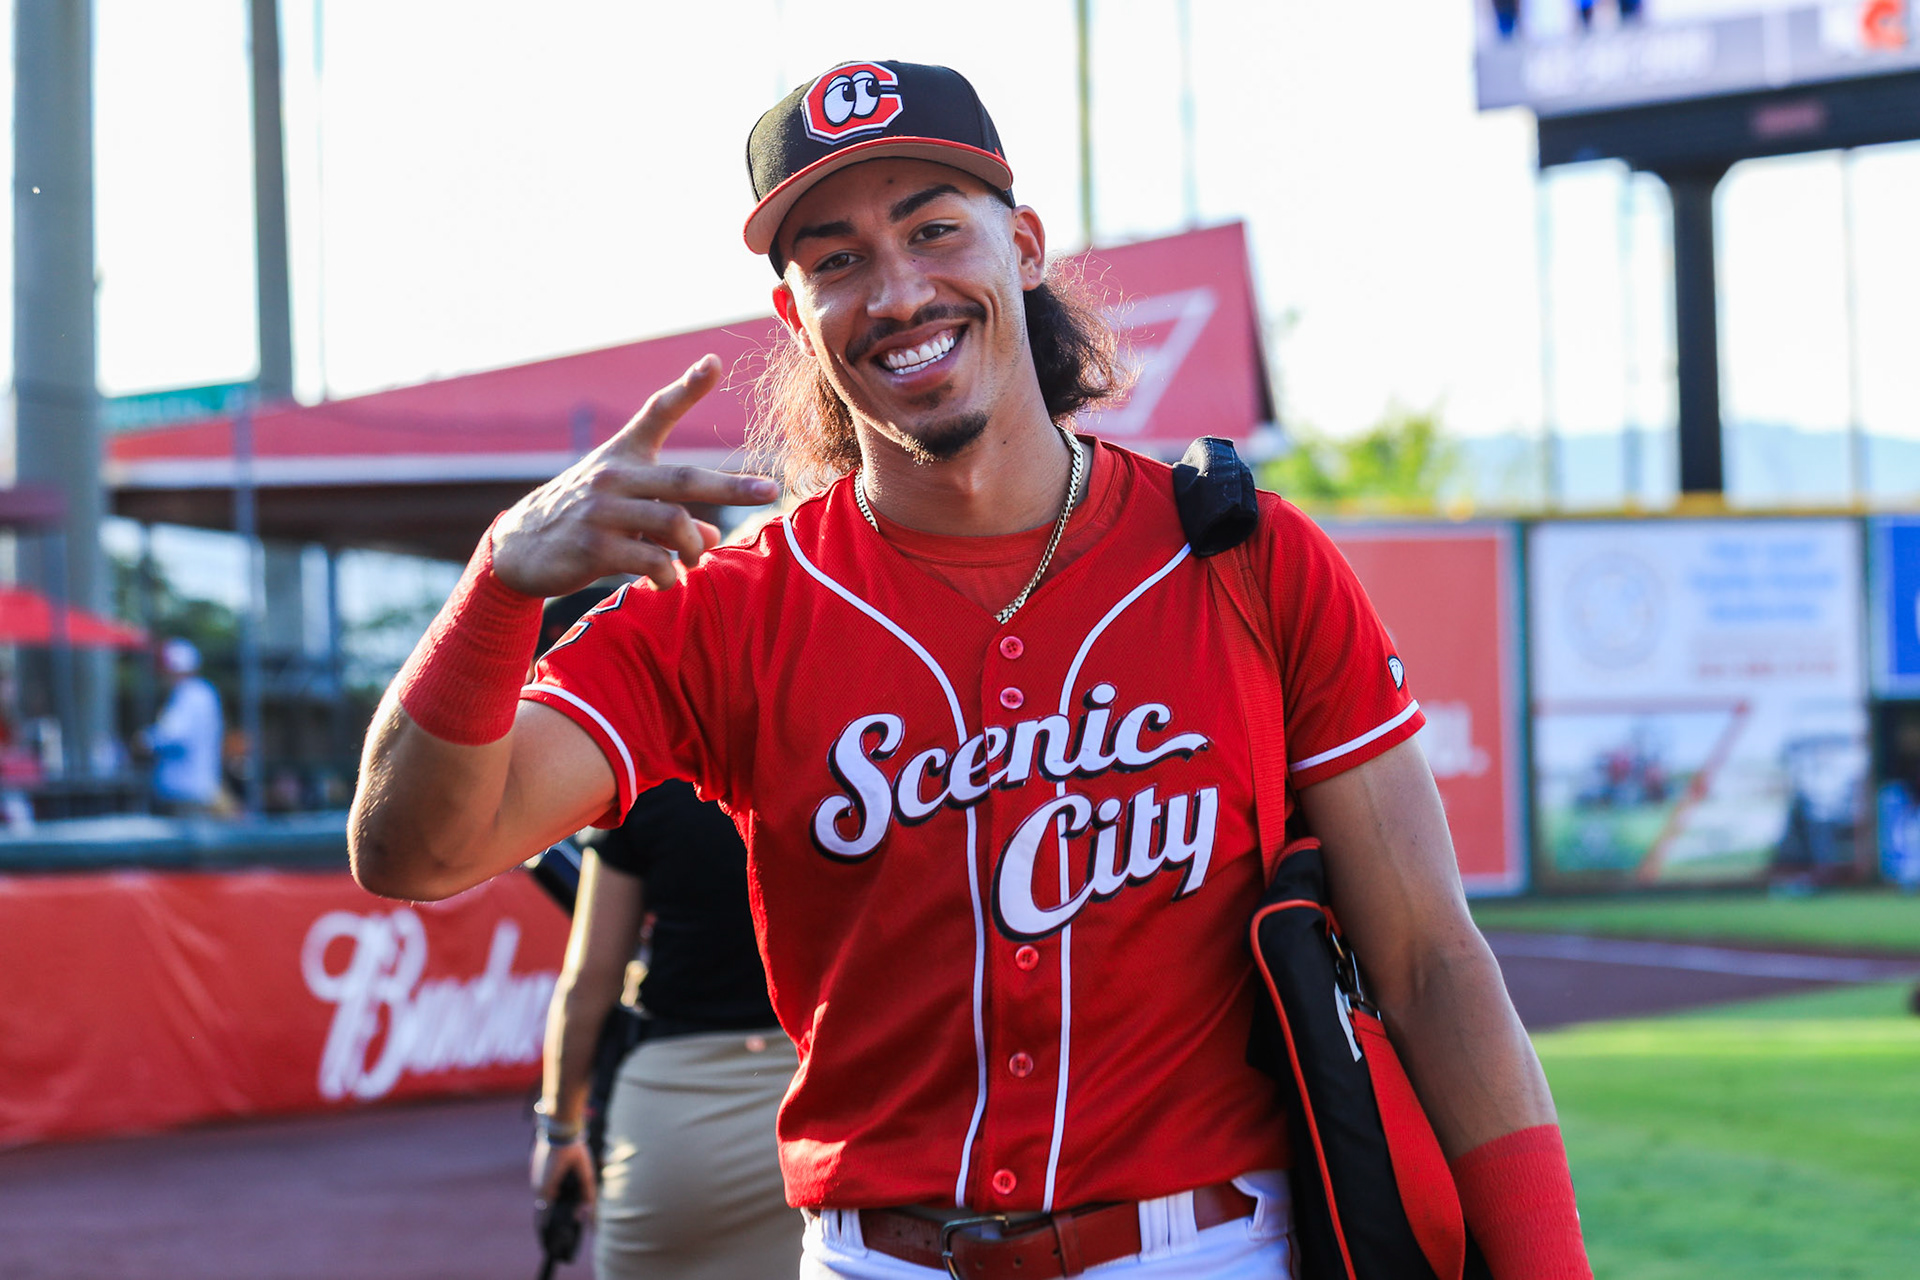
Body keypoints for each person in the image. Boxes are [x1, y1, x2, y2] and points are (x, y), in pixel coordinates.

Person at [352, 61, 1591, 1279]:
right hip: (879, 1257)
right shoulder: (728, 608)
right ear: (795, 314)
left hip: (1205, 1246)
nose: (897, 290)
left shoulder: (1249, 562)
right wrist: (499, 583)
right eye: (836, 258)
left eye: (935, 228)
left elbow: (1431, 961)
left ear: (1026, 245)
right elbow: (415, 849)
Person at [530, 591, 798, 1280]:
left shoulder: (648, 787)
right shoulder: (849, 764)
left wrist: (559, 1130)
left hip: (672, 1121)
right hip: (823, 1109)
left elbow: (589, 981)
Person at [144, 639, 229, 816]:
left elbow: (172, 735)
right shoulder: (203, 692)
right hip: (196, 789)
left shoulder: (189, 694)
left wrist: (145, 740)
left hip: (185, 793)